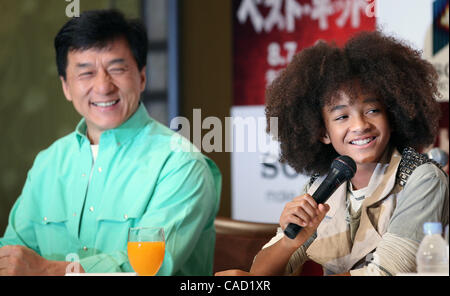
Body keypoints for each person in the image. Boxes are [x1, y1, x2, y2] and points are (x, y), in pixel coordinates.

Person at [0, 9, 221, 276]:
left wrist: (48, 270)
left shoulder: (181, 164)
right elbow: (13, 256)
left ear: (141, 77)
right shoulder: (48, 163)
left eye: (117, 69)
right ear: (66, 87)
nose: (103, 86)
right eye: (86, 72)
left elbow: (149, 269)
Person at [216, 31, 448, 276]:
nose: (360, 125)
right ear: (322, 132)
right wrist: (289, 242)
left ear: (393, 116)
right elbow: (260, 275)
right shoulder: (321, 186)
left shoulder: (422, 179)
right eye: (341, 116)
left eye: (372, 110)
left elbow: (384, 273)